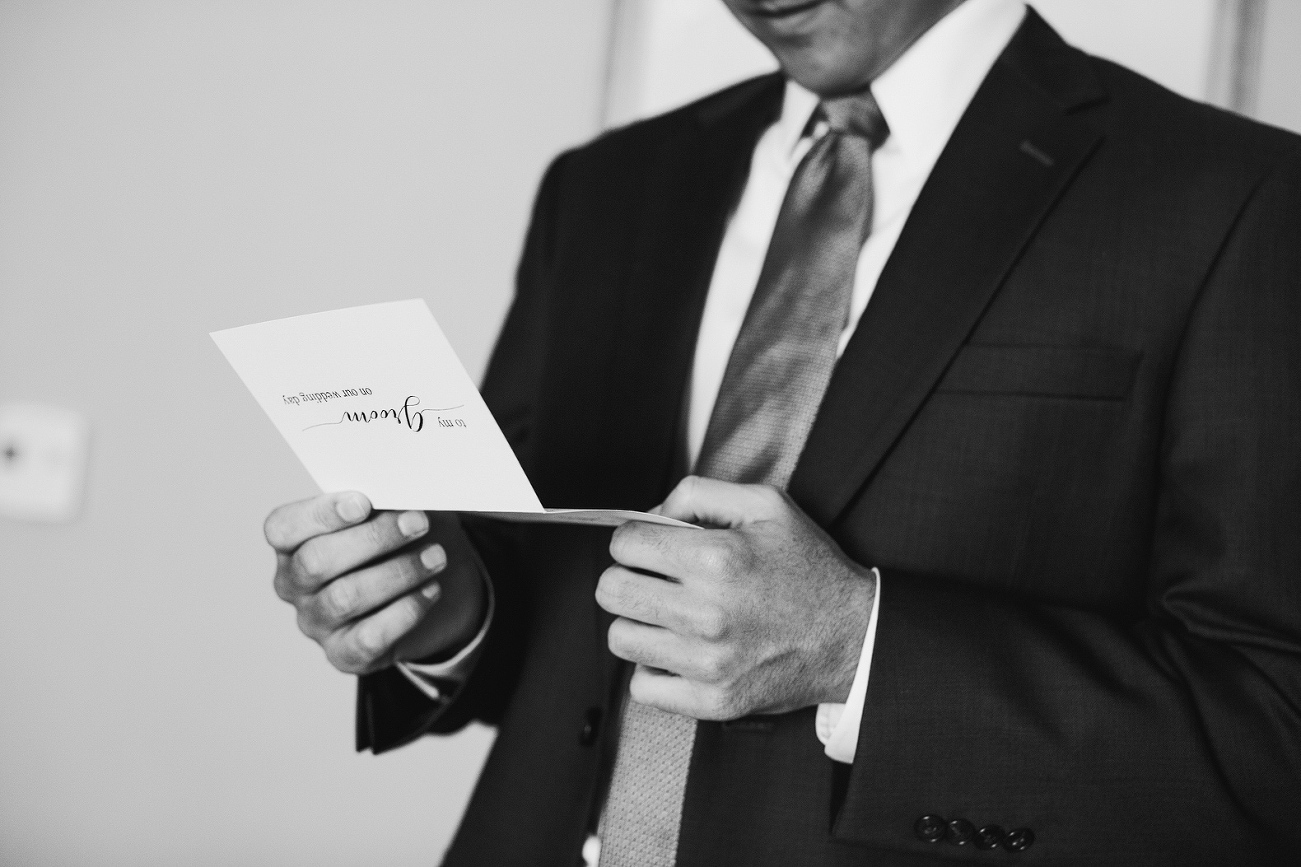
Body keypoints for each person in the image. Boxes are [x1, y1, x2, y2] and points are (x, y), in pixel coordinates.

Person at [263, 0, 1301, 864]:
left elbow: (1270, 737)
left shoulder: (1237, 199)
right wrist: (445, 612)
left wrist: (857, 651)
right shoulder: (606, 186)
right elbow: (542, 605)